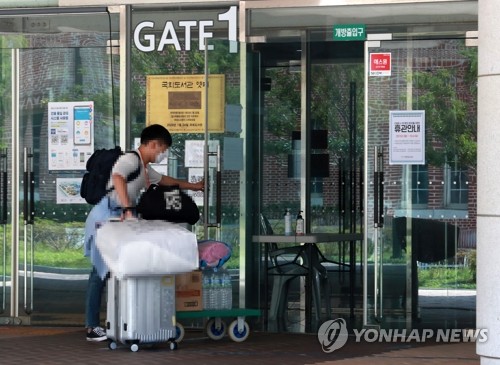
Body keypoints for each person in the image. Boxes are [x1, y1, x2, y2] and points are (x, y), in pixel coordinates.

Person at [83, 124, 204, 341]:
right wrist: (128, 207)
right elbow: (118, 178)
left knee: (118, 269)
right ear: (153, 144)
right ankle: (92, 326)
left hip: (120, 218)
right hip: (106, 216)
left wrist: (194, 187)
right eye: (163, 148)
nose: (162, 153)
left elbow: (167, 181)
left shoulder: (144, 167)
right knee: (100, 271)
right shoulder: (130, 160)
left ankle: (118, 322)